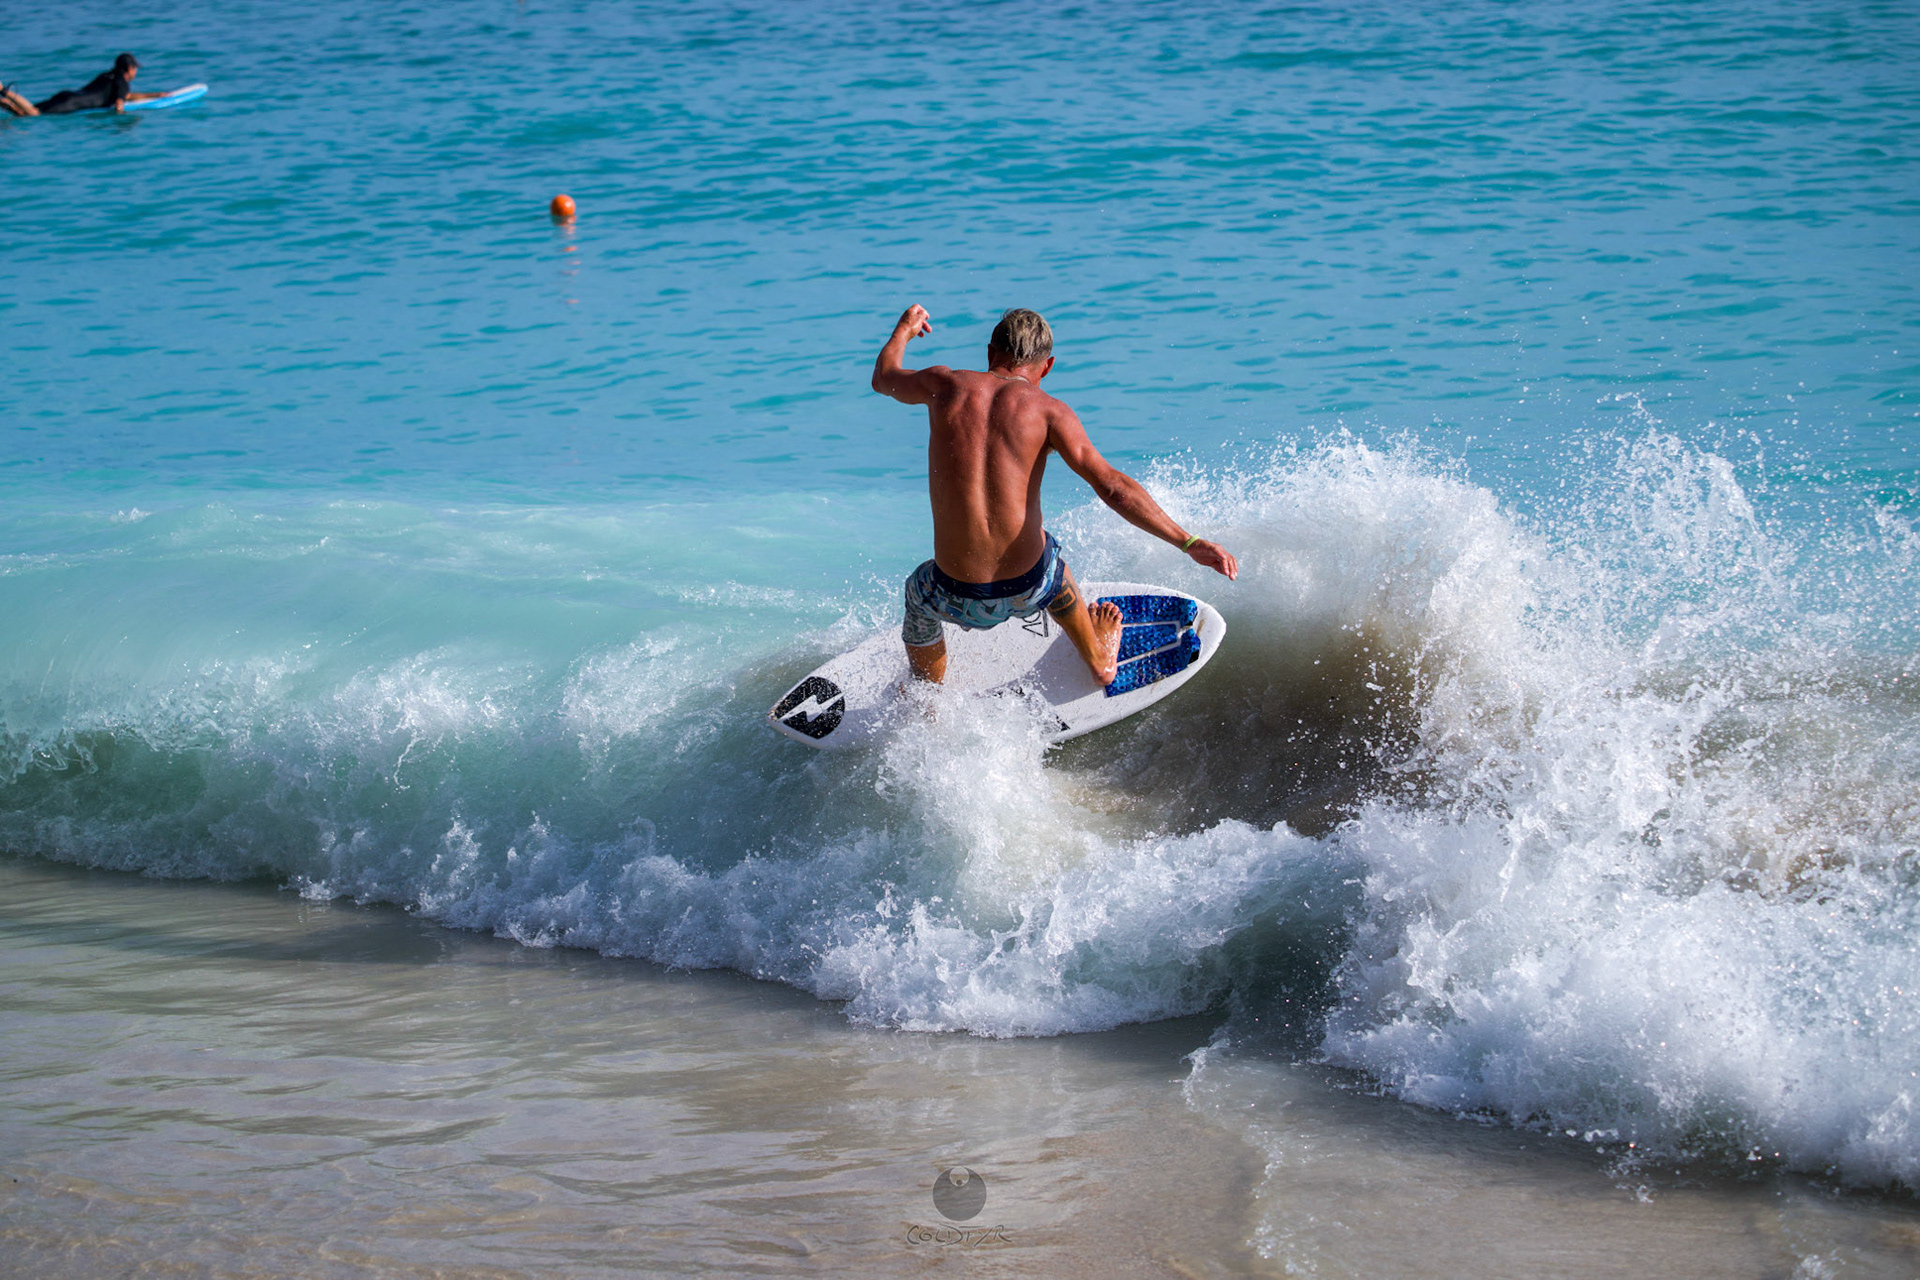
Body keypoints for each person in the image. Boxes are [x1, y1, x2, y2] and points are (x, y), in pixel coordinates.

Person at [872, 304, 1239, 687]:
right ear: (1046, 367)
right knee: (1054, 561)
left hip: (951, 593)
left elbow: (883, 378)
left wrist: (904, 330)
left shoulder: (944, 384)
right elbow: (1113, 489)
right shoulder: (1051, 413)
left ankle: (927, 697)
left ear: (989, 353)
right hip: (1030, 588)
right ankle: (1100, 660)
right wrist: (1188, 542)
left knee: (917, 593)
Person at [1, 53, 162, 118]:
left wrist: (156, 95)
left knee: (23, 113)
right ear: (129, 69)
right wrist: (120, 120)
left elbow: (126, 96)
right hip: (71, 103)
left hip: (67, 96)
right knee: (34, 113)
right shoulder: (122, 82)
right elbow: (121, 102)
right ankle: (3, 91)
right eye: (135, 68)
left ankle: (2, 99)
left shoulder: (107, 75)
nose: (136, 72)